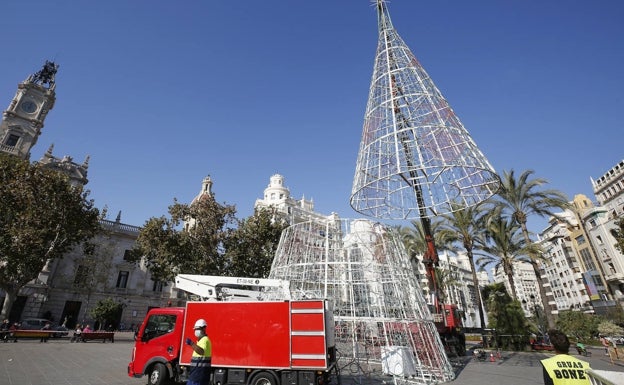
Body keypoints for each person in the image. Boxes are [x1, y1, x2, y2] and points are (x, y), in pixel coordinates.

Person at [185, 318, 212, 385]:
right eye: (195, 329)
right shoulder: (200, 341)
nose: (196, 331)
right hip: (197, 374)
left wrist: (191, 343)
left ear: (204, 328)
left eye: (198, 329)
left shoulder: (204, 340)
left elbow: (201, 351)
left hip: (198, 375)